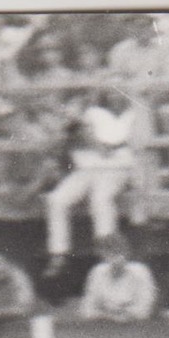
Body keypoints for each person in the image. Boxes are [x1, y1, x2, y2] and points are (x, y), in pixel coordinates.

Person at [44, 89, 139, 269]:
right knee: (56, 199)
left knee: (101, 199)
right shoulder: (92, 114)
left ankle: (108, 252)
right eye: (111, 93)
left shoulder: (132, 115)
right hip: (87, 170)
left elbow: (116, 148)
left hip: (116, 168)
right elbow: (64, 139)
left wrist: (97, 142)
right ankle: (58, 252)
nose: (114, 97)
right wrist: (75, 128)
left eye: (119, 93)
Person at [79, 235, 157, 322]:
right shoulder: (97, 272)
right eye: (108, 254)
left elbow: (144, 309)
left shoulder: (141, 271)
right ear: (102, 256)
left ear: (127, 254)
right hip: (103, 324)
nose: (115, 259)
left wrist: (124, 315)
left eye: (119, 253)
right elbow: (87, 309)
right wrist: (108, 316)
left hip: (134, 325)